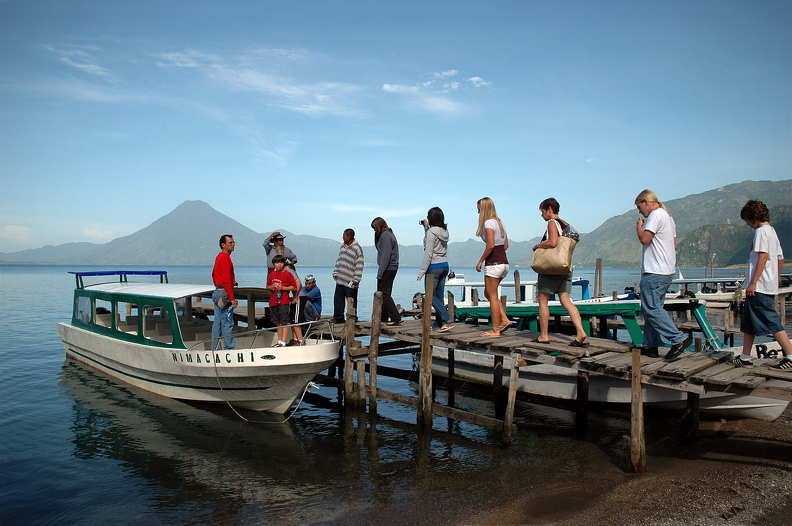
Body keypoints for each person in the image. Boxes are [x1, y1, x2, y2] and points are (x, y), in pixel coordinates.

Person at [732, 200, 792, 369]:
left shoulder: (761, 232)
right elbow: (780, 258)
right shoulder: (772, 231)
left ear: (753, 218)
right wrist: (777, 277)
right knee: (748, 322)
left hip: (759, 286)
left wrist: (753, 282)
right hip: (768, 284)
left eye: (747, 221)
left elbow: (763, 257)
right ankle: (745, 356)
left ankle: (790, 354)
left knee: (771, 320)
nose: (748, 224)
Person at [634, 190, 691, 360]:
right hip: (667, 270)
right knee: (654, 308)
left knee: (650, 308)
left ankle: (678, 339)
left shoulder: (656, 215)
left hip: (655, 271)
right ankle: (651, 345)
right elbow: (674, 245)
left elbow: (644, 239)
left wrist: (639, 227)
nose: (639, 211)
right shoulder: (668, 217)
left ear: (645, 201)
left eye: (639, 206)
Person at [532, 198, 588, 346]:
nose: (542, 216)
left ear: (550, 209)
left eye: (543, 212)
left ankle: (544, 335)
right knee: (566, 300)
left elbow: (553, 242)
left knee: (542, 300)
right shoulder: (565, 224)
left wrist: (538, 245)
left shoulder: (552, 223)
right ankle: (581, 332)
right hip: (566, 266)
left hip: (553, 268)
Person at [475, 197, 510, 337]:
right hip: (504, 263)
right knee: (488, 293)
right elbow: (505, 245)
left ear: (483, 209)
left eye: (479, 209)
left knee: (493, 296)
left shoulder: (489, 223)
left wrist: (481, 260)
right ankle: (505, 319)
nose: (478, 212)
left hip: (494, 263)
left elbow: (490, 246)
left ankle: (495, 329)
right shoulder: (499, 222)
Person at [416, 207, 453, 332]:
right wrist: (426, 228)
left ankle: (446, 318)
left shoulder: (432, 232)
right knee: (439, 296)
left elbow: (428, 253)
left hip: (434, 267)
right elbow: (433, 241)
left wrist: (421, 272)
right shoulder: (444, 231)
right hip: (444, 265)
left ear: (431, 217)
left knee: (430, 295)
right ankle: (440, 323)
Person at [372, 217, 401, 325]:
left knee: (384, 293)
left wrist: (380, 273)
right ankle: (383, 317)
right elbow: (380, 249)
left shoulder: (386, 236)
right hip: (390, 267)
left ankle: (395, 317)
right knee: (383, 293)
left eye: (375, 229)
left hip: (388, 268)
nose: (374, 231)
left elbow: (385, 256)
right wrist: (376, 236)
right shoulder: (386, 235)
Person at [211, 234, 238, 350]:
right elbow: (226, 278)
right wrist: (232, 298)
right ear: (223, 245)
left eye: (233, 242)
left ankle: (215, 347)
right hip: (224, 292)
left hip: (218, 290)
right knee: (227, 322)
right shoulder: (225, 257)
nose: (233, 245)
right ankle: (229, 348)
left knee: (217, 322)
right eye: (230, 242)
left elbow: (214, 274)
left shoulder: (219, 257)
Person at [332, 228, 364, 323]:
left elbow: (360, 264)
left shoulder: (357, 248)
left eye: (344, 235)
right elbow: (339, 260)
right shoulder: (342, 247)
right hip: (341, 279)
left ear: (349, 237)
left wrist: (357, 278)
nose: (343, 237)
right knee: (338, 299)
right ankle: (338, 318)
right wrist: (335, 272)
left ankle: (352, 318)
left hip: (350, 280)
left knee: (351, 300)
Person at [267, 255, 298, 347]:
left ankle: (283, 342)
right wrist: (271, 287)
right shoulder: (272, 274)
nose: (279, 264)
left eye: (280, 262)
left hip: (283, 301)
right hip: (273, 301)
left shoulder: (288, 274)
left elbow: (294, 287)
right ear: (274, 264)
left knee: (284, 322)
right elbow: (267, 285)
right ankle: (279, 341)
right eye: (277, 263)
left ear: (284, 263)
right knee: (277, 322)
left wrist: (283, 287)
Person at [286, 263, 304, 346]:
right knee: (292, 319)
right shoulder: (287, 272)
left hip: (300, 296)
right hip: (296, 296)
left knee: (296, 320)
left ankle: (301, 341)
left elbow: (297, 281)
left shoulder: (290, 270)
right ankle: (295, 339)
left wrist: (295, 296)